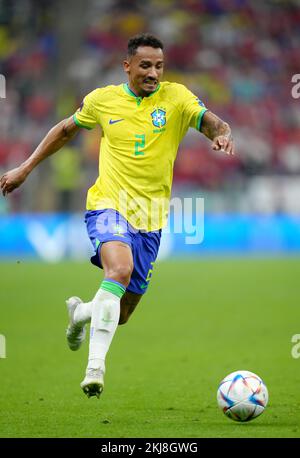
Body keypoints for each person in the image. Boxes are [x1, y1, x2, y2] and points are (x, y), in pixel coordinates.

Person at [0, 33, 235, 399]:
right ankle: (95, 368)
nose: (153, 73)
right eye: (145, 65)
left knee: (121, 313)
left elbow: (211, 122)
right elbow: (65, 130)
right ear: (127, 66)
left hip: (152, 218)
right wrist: (25, 169)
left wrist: (221, 134)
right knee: (119, 271)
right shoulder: (102, 100)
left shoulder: (176, 97)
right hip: (108, 204)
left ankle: (80, 314)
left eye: (158, 65)